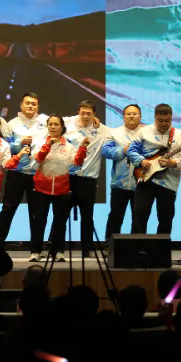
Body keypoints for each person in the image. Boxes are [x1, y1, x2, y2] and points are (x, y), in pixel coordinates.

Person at [28, 114, 89, 262]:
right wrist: (48, 145)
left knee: (60, 222)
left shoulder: (69, 146)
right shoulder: (40, 143)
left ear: (62, 127)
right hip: (41, 188)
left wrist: (82, 148)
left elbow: (77, 162)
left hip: (61, 189)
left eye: (56, 124)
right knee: (39, 221)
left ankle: (58, 251)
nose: (53, 127)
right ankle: (36, 251)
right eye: (50, 124)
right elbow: (38, 159)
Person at [127, 104, 181, 235]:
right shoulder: (144, 131)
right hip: (145, 180)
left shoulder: (180, 135)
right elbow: (131, 151)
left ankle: (161, 247)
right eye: (160, 121)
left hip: (168, 182)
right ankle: (138, 246)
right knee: (140, 216)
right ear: (154, 118)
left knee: (166, 218)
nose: (164, 124)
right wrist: (141, 161)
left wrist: (173, 163)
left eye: (167, 121)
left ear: (171, 118)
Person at [0, 92, 48, 246]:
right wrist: (20, 144)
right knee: (8, 209)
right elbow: (6, 147)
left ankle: (36, 249)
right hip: (16, 173)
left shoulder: (46, 121)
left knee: (36, 212)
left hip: (37, 173)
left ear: (38, 107)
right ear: (21, 105)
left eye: (34, 104)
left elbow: (66, 124)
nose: (30, 106)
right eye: (27, 103)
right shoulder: (12, 124)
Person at [61, 100, 108, 259]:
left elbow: (120, 133)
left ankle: (87, 250)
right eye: (83, 113)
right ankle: (57, 249)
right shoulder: (67, 124)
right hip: (67, 177)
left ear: (94, 114)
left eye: (89, 113)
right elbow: (51, 121)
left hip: (88, 180)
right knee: (61, 215)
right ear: (78, 112)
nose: (86, 116)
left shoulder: (102, 130)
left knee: (87, 216)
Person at [101, 104, 144, 242]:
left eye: (135, 114)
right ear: (123, 116)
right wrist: (122, 151)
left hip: (142, 183)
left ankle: (137, 247)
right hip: (119, 183)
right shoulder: (114, 133)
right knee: (115, 216)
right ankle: (110, 245)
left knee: (139, 218)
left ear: (140, 116)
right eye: (128, 114)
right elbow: (105, 151)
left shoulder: (147, 133)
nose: (131, 116)